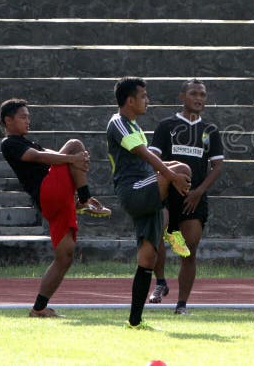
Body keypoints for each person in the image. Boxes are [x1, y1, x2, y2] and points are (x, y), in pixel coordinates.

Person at [0, 98, 112, 318]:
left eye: (29, 116)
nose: (28, 121)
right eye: (23, 117)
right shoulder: (9, 143)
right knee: (75, 144)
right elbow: (39, 157)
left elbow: (51, 154)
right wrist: (74, 158)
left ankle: (39, 308)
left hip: (52, 201)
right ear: (8, 120)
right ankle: (86, 199)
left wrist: (77, 161)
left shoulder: (27, 141)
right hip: (47, 192)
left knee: (65, 256)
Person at [106, 77, 193, 330]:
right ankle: (174, 228)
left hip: (147, 190)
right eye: (143, 96)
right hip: (133, 190)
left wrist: (167, 174)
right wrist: (171, 175)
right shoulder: (118, 123)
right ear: (130, 100)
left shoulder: (134, 126)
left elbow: (148, 156)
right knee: (182, 168)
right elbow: (142, 153)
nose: (148, 100)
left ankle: (135, 321)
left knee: (147, 257)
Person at [147, 79, 225, 314]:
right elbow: (154, 160)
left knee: (189, 250)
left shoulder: (210, 130)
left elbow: (217, 166)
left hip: (194, 197)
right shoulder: (166, 126)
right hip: (166, 193)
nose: (199, 98)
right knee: (157, 237)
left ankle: (181, 305)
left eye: (202, 94)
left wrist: (199, 191)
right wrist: (172, 179)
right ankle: (160, 281)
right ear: (182, 97)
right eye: (193, 93)